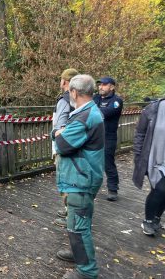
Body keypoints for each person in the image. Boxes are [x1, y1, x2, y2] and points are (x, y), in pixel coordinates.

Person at [53, 75, 105, 279]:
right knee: (78, 223)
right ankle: (78, 253)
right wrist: (61, 133)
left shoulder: (85, 116)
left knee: (79, 227)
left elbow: (63, 145)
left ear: (74, 92)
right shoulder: (88, 111)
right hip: (82, 177)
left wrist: (60, 133)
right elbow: (62, 136)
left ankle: (87, 272)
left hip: (80, 180)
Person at [133, 98, 165, 236]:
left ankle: (156, 218)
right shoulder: (153, 109)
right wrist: (139, 156)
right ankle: (148, 220)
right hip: (156, 157)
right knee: (159, 189)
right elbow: (140, 134)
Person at [52, 68, 79, 228]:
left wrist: (56, 141)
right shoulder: (81, 99)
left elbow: (60, 125)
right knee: (72, 181)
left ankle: (70, 214)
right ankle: (69, 210)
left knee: (66, 181)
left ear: (64, 82)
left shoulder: (64, 100)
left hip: (64, 146)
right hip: (75, 147)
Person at [93, 77, 123, 201]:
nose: (101, 87)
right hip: (94, 135)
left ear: (112, 87)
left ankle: (113, 189)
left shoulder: (117, 101)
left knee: (107, 162)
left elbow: (103, 113)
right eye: (100, 84)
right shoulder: (96, 98)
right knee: (91, 162)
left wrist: (91, 110)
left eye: (104, 85)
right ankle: (91, 187)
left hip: (108, 136)